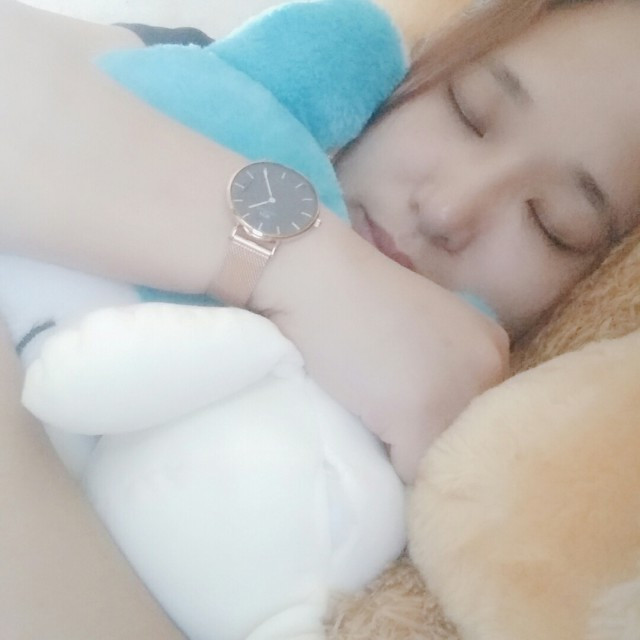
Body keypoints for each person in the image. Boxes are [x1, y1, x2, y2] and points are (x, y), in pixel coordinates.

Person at [1, 0, 639, 636]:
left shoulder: (461, 528)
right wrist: (299, 261)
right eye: (468, 110)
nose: (447, 209)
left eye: (553, 223)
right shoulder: (214, 87)